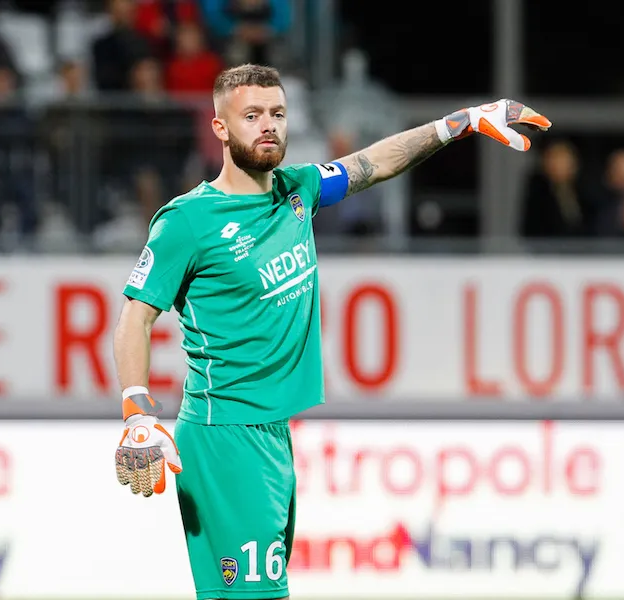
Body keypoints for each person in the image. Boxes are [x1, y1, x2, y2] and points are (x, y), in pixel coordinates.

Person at [112, 64, 550, 600]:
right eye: (252, 115)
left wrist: (457, 124)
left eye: (277, 113)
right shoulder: (188, 221)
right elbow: (135, 316)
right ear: (220, 128)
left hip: (271, 433)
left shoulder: (297, 191)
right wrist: (137, 412)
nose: (268, 125)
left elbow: (375, 162)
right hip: (225, 434)